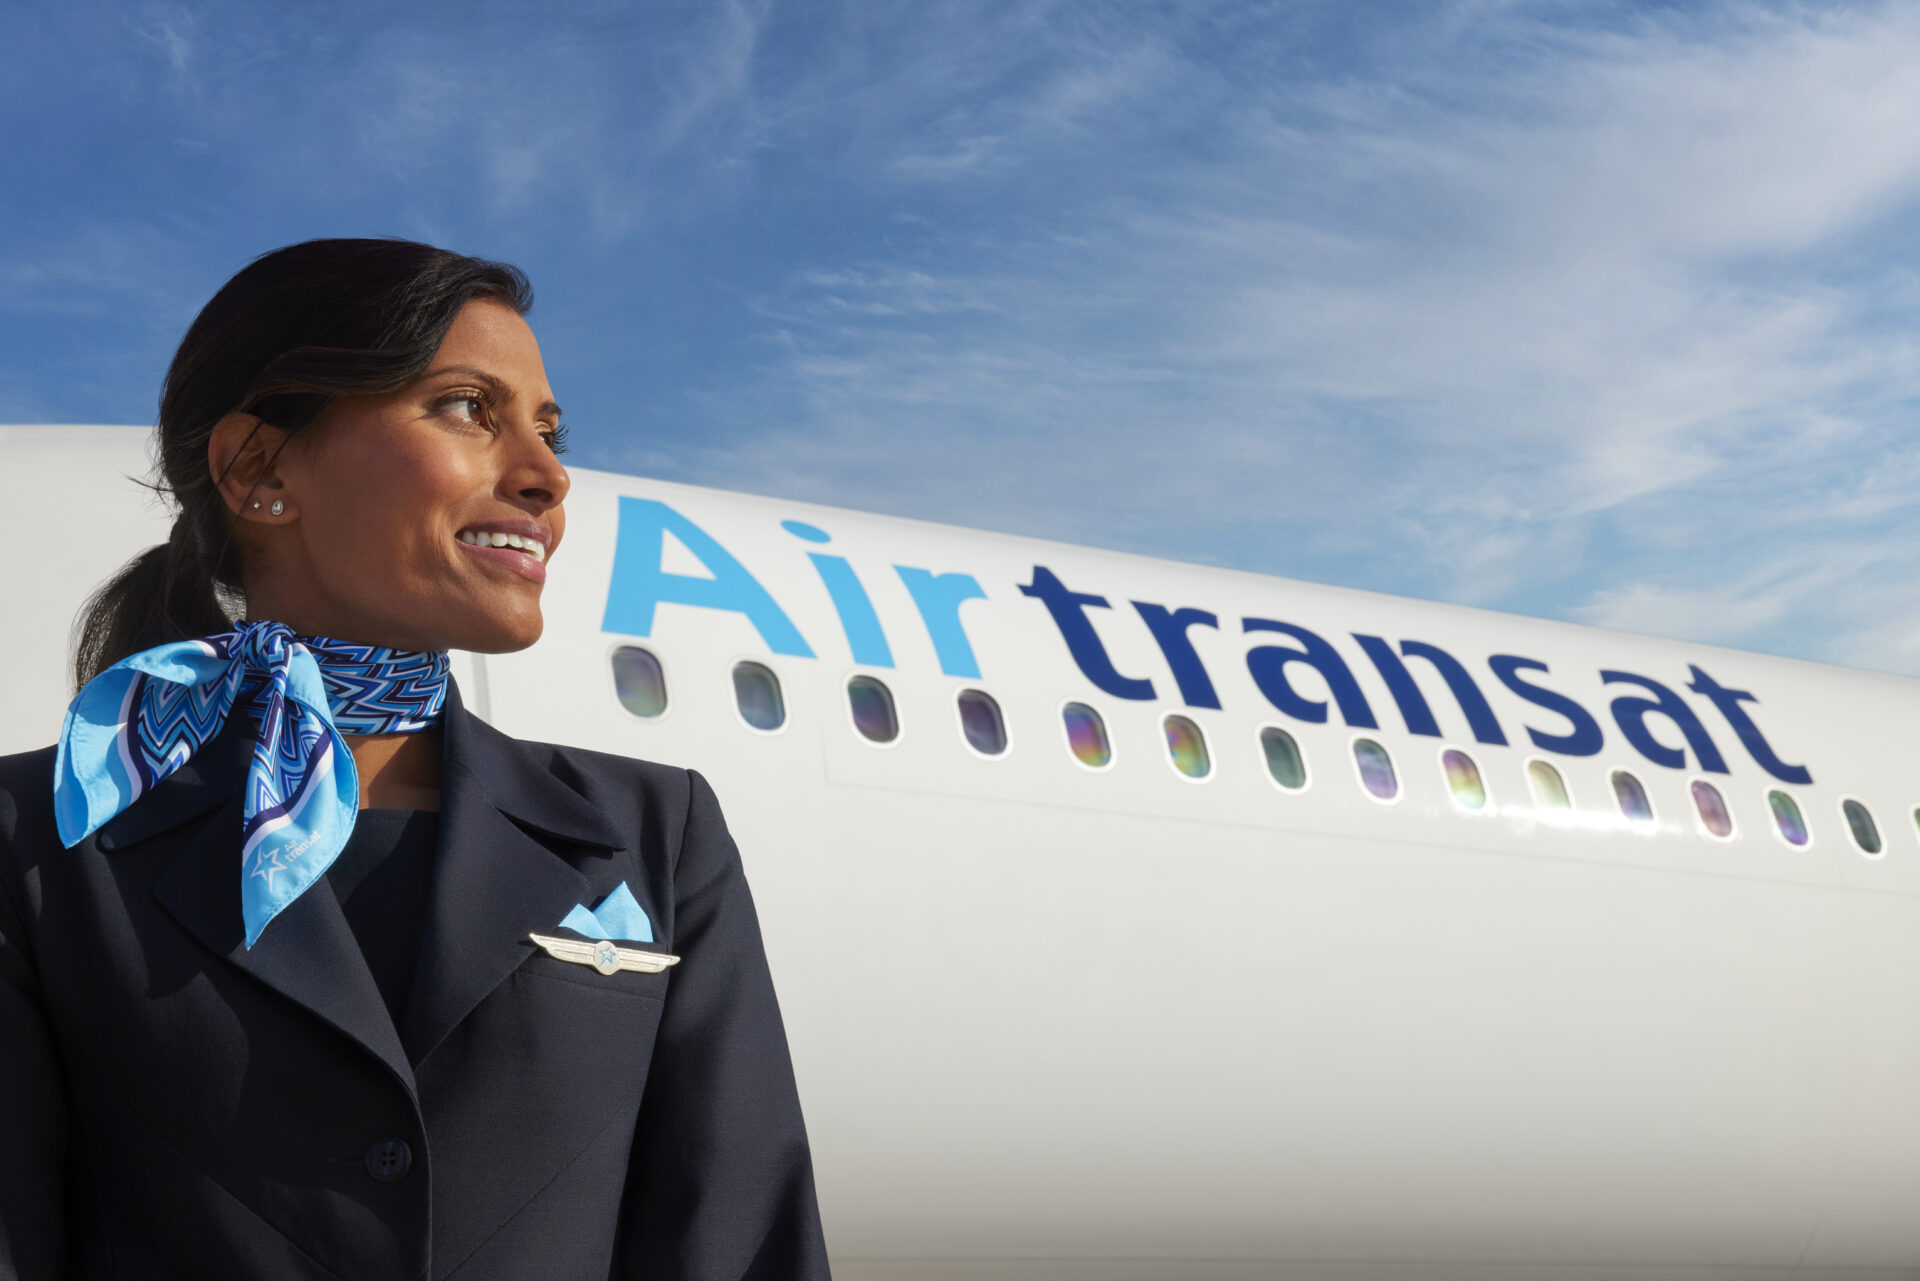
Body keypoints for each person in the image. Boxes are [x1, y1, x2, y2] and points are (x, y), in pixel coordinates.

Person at [0, 238, 832, 1279]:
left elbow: (742, 1242)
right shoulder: (37, 838)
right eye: (467, 409)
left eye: (547, 428)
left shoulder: (656, 837)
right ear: (261, 469)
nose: (547, 476)